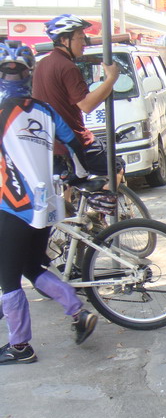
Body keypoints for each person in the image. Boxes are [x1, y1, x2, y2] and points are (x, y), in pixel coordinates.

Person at [0, 42, 98, 364]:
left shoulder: (2, 111)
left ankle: (20, 347)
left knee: (9, 279)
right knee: (33, 266)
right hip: (43, 207)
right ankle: (78, 311)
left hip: (12, 207)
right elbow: (74, 143)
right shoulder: (45, 110)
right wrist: (80, 176)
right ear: (29, 74)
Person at [32, 14, 121, 179]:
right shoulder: (68, 67)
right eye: (80, 37)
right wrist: (111, 79)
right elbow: (86, 105)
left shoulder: (42, 64)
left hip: (50, 142)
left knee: (67, 185)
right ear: (64, 40)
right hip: (75, 141)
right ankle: (104, 196)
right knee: (117, 168)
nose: (84, 43)